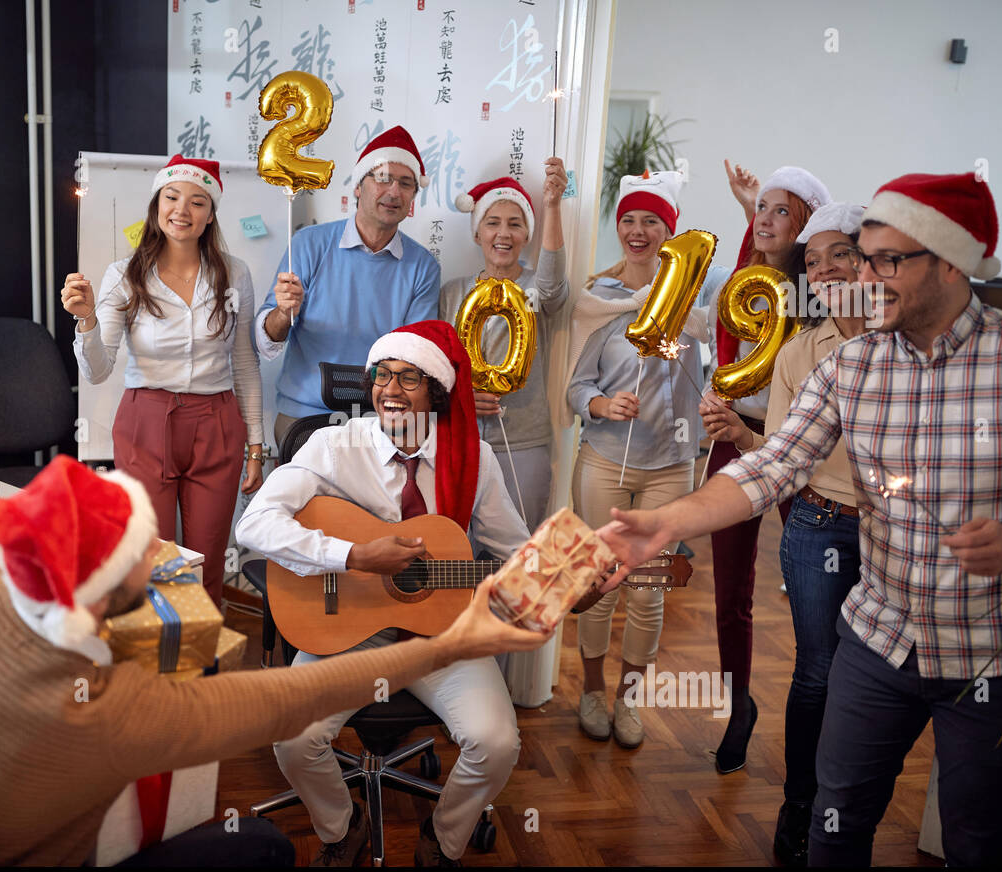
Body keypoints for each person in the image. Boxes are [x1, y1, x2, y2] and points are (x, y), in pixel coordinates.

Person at [599, 173, 1002, 868]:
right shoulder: (849, 365)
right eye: (864, 258)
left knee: (976, 840)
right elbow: (771, 466)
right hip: (877, 639)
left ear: (950, 263)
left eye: (885, 260)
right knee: (835, 829)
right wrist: (668, 523)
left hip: (986, 654)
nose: (863, 275)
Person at [0, 455, 556, 866]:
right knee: (263, 848)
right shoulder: (110, 714)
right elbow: (287, 701)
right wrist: (455, 644)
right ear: (100, 593)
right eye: (148, 553)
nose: (162, 557)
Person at [236, 321, 615, 866]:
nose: (390, 390)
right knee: (293, 736)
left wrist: (575, 585)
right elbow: (254, 524)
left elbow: (514, 553)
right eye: (382, 376)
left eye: (408, 378)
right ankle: (343, 828)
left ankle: (443, 839)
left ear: (435, 390)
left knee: (497, 741)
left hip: (442, 634)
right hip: (344, 630)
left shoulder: (474, 458)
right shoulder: (333, 446)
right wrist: (354, 557)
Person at [61, 155, 262, 606]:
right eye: (171, 198)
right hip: (146, 422)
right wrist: (87, 319)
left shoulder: (235, 274)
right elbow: (97, 370)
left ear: (211, 215)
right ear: (156, 205)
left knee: (207, 561)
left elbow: (246, 362)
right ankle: (154, 667)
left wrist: (255, 446)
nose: (181, 211)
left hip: (217, 422)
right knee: (151, 560)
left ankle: (202, 670)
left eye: (197, 202)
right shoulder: (124, 274)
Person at [565, 169, 709, 747]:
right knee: (599, 582)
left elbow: (711, 378)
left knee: (647, 590)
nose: (638, 229)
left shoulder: (694, 302)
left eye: (651, 220)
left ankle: (629, 704)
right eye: (628, 218)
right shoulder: (599, 298)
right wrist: (601, 404)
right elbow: (575, 387)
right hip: (603, 461)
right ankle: (591, 692)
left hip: (671, 466)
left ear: (668, 231)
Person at [698, 165, 830, 773]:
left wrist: (753, 435)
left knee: (814, 590)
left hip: (796, 450)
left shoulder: (818, 303)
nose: (764, 219)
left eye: (781, 211)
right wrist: (717, 405)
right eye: (761, 210)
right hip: (735, 441)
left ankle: (821, 708)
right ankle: (738, 703)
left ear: (804, 225)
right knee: (731, 588)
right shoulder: (742, 289)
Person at [765, 201, 868, 866]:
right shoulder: (801, 352)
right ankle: (800, 808)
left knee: (878, 680)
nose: (826, 268)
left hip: (902, 536)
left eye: (839, 253)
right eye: (813, 260)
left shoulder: (912, 344)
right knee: (819, 673)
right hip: (820, 525)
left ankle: (849, 814)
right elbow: (781, 452)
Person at [255, 126, 441, 444]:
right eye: (382, 178)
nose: (394, 191)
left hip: (380, 422)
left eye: (406, 184)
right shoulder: (308, 244)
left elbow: (414, 353)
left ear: (412, 197)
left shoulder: (422, 266)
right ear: (357, 187)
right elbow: (266, 340)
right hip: (304, 416)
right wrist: (283, 313)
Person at [438, 160, 569, 531]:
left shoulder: (535, 291)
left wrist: (554, 205)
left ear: (528, 234)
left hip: (524, 440)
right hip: (458, 437)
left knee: (519, 553)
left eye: (516, 223)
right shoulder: (453, 292)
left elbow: (554, 287)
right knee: (457, 546)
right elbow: (432, 366)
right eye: (492, 222)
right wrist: (458, 395)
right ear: (477, 233)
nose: (503, 233)